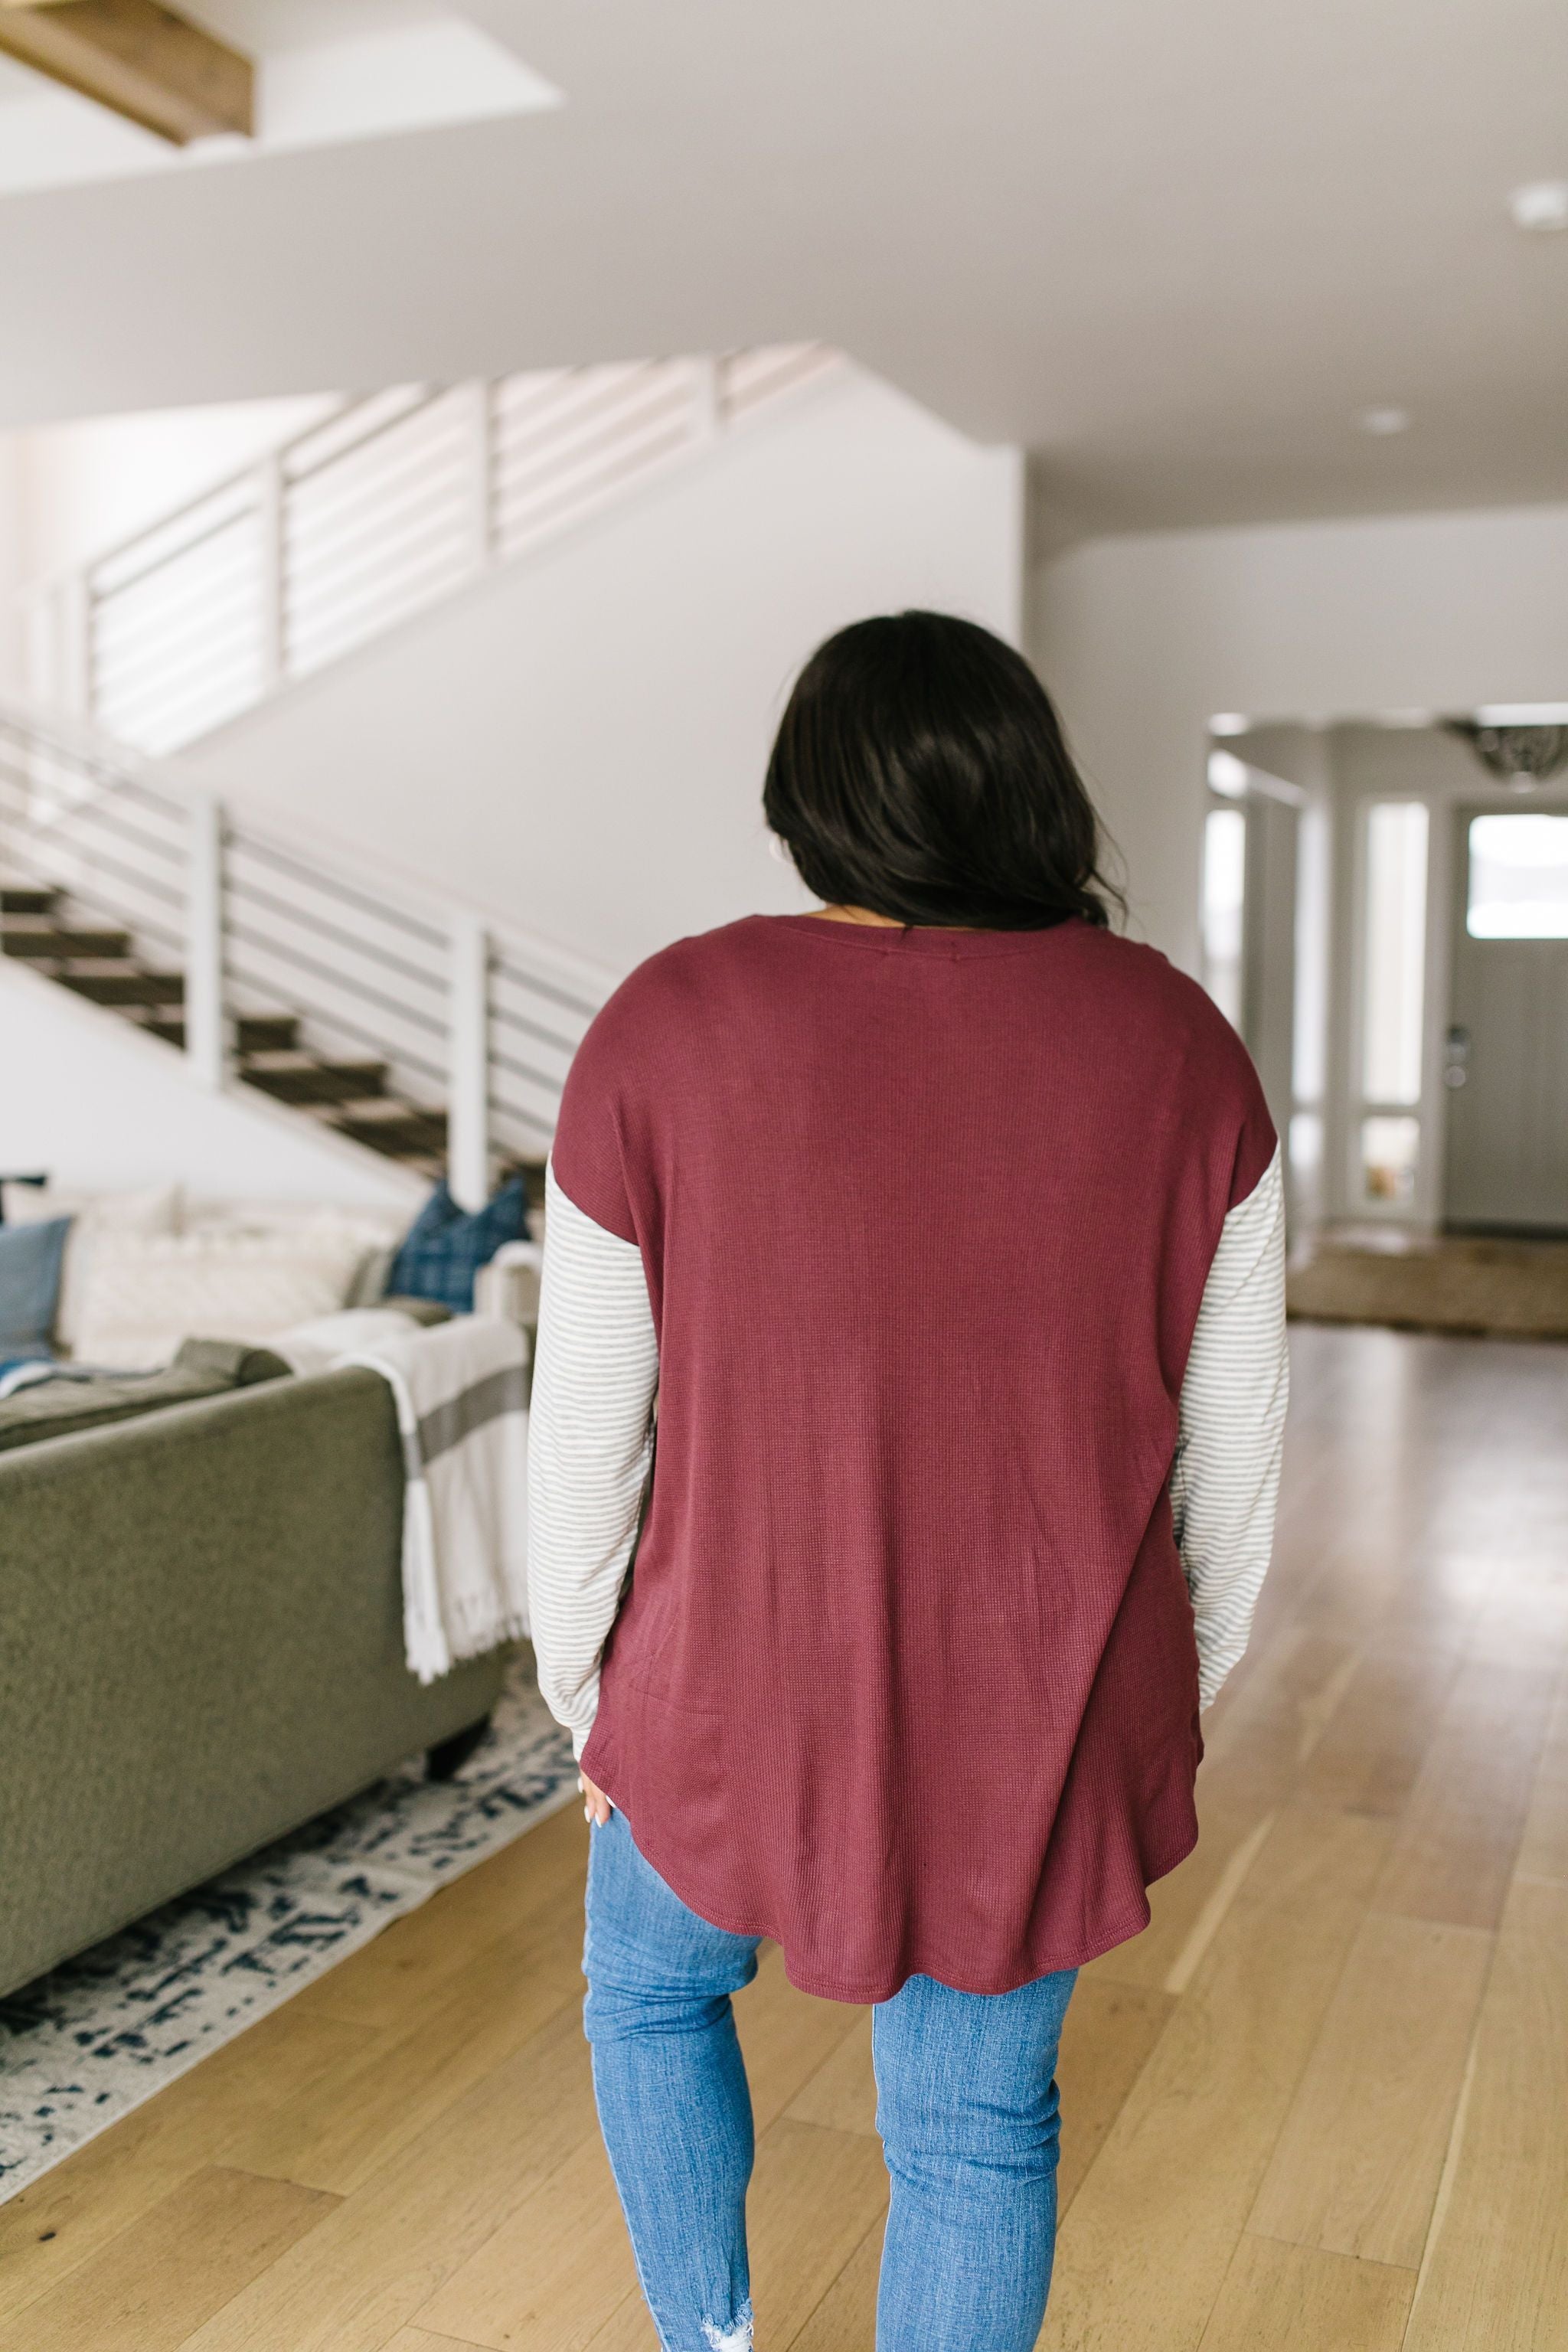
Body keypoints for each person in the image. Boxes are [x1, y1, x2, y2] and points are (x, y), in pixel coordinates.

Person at [526, 610, 1288, 2352]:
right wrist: (1155, 1699)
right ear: (1033, 792)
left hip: (725, 1682)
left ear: (807, 799)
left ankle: (707, 2340)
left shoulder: (664, 1024)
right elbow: (1232, 1451)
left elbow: (589, 1435)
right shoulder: (1179, 1044)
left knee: (647, 1993)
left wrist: (591, 1699)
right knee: (973, 2129)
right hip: (1043, 1699)